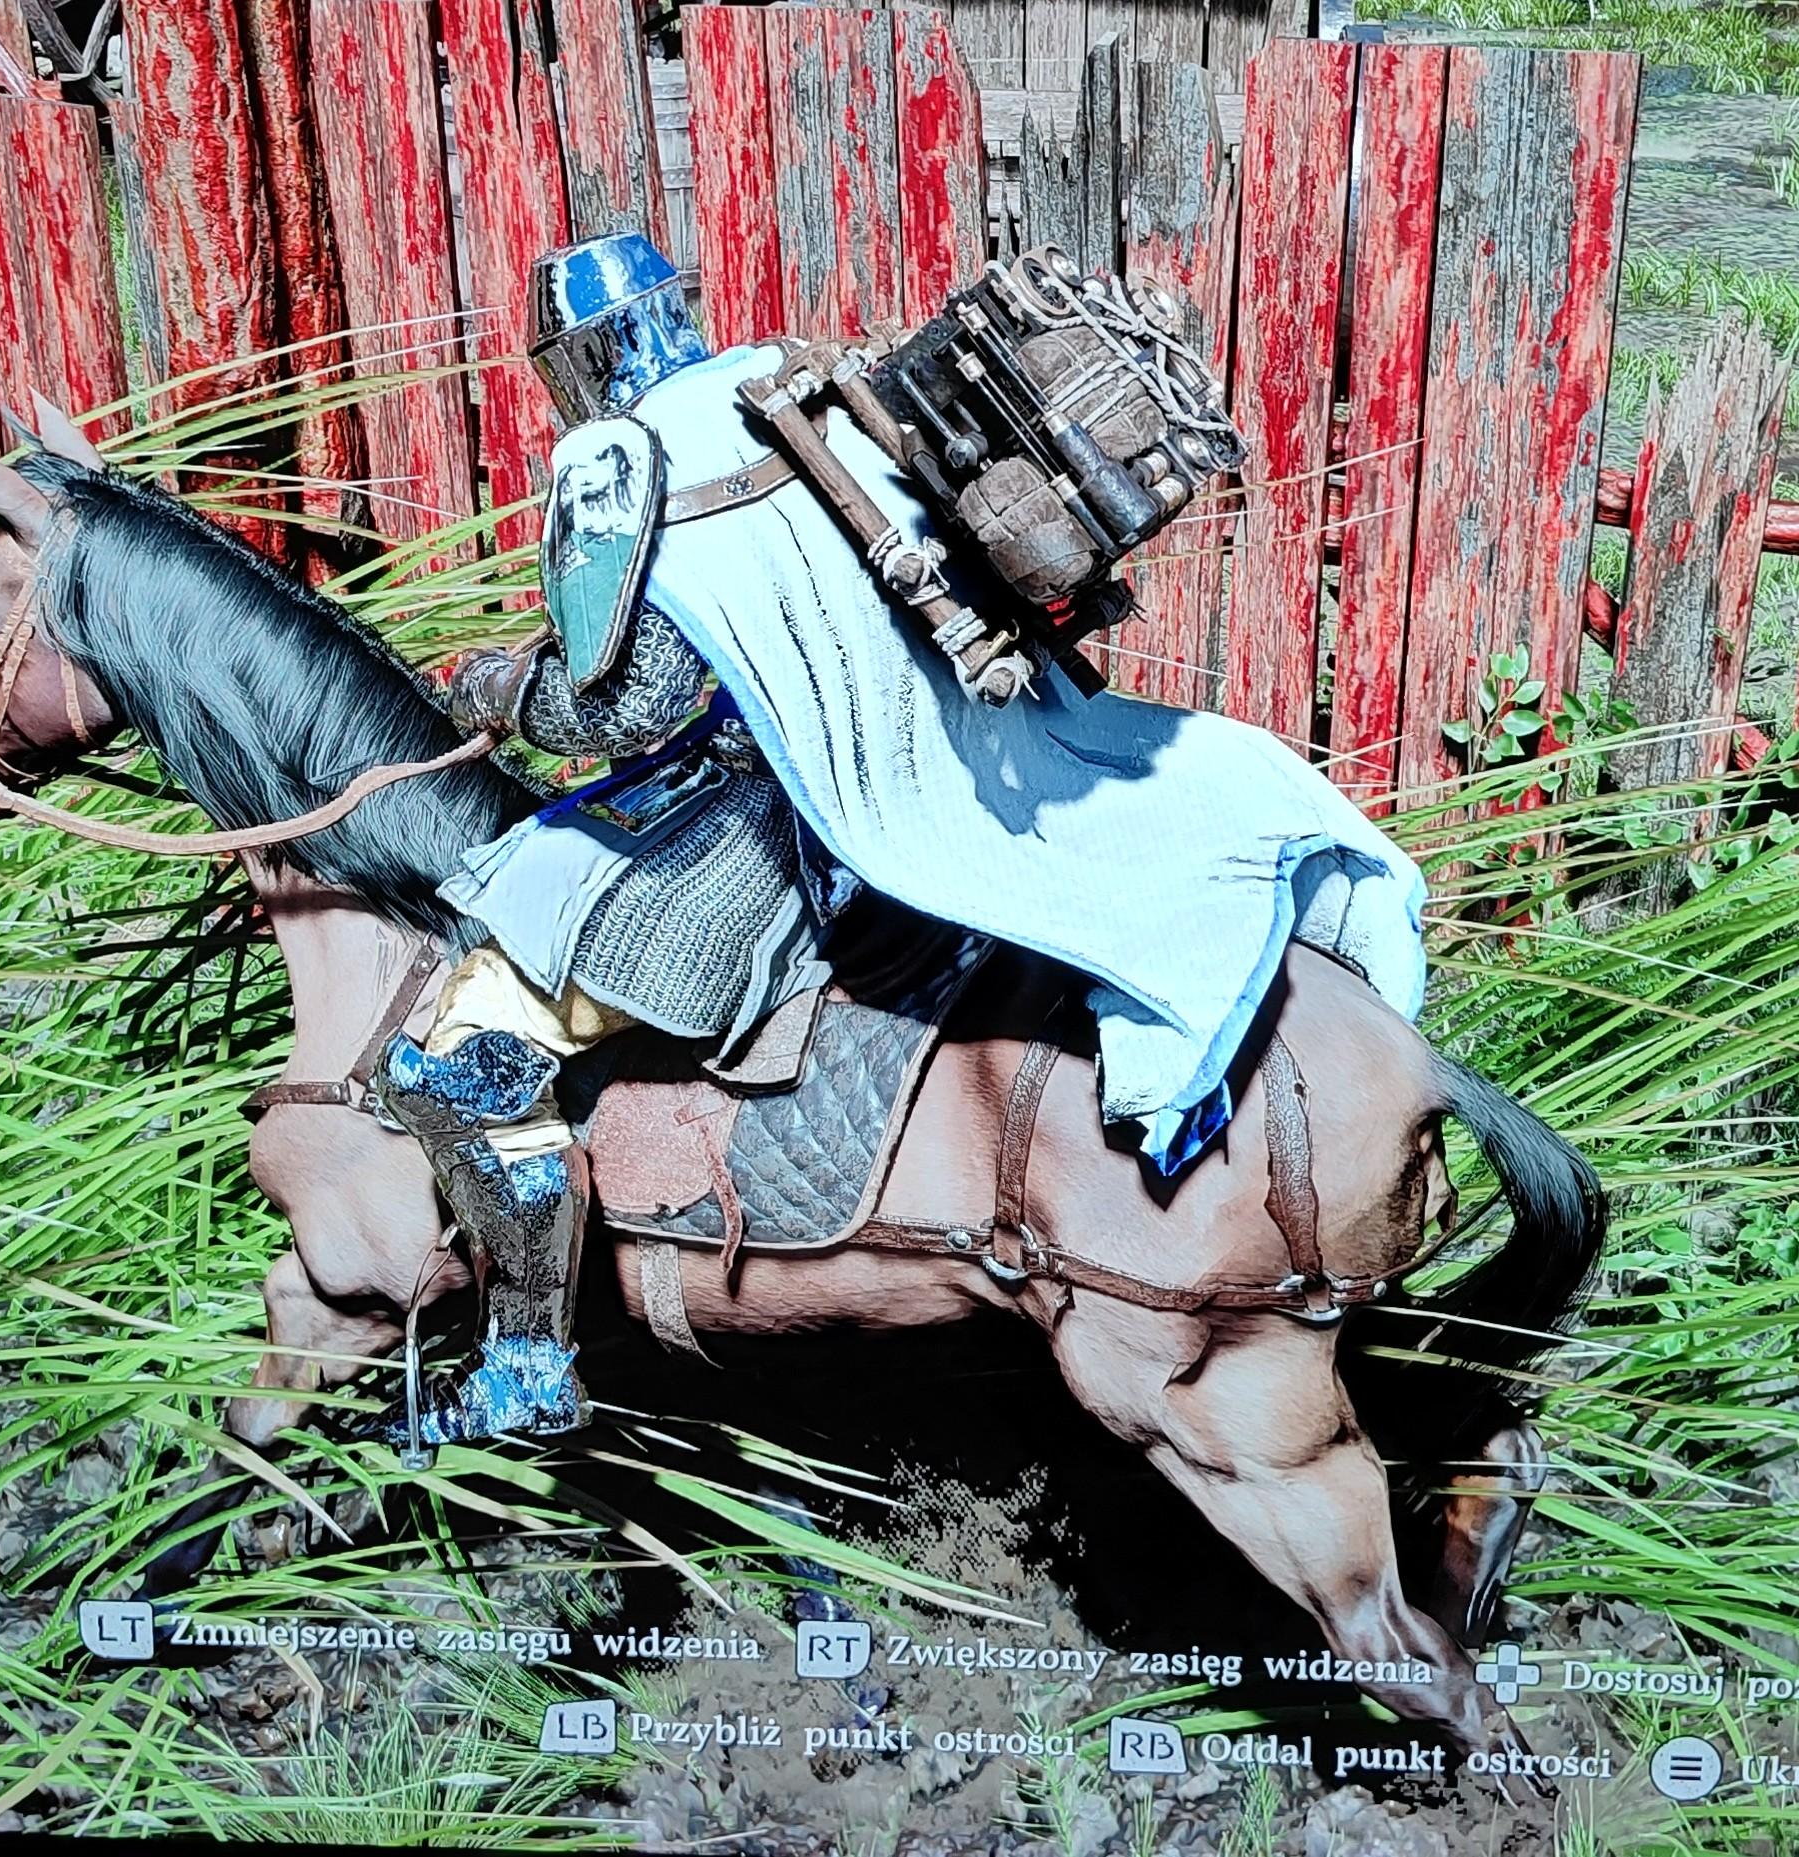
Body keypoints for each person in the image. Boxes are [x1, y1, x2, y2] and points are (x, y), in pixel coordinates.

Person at [375, 233, 1431, 1450]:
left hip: (779, 834)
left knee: (459, 1053)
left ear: (575, 359)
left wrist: (505, 690)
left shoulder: (617, 460)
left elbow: (629, 710)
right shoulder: (791, 377)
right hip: (964, 763)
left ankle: (524, 1365)